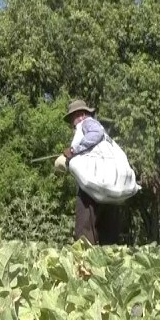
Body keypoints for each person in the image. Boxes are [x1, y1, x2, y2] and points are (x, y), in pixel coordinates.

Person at [60, 99, 122, 245]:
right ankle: (109, 262)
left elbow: (96, 133)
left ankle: (85, 263)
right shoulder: (103, 139)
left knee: (84, 230)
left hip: (91, 184)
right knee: (107, 230)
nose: (73, 123)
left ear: (80, 115)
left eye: (72, 119)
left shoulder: (87, 123)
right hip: (108, 182)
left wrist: (74, 150)